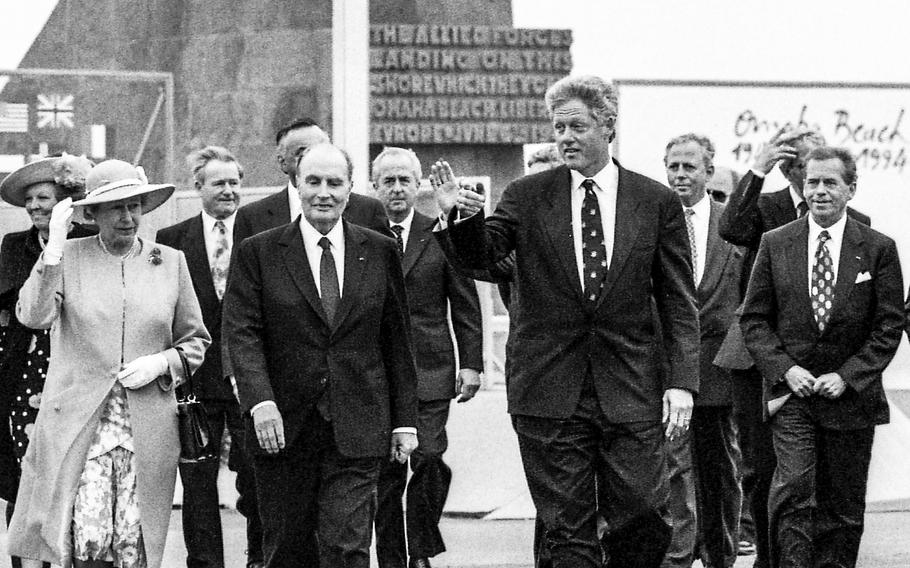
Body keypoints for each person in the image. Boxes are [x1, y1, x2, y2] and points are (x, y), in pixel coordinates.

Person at [431, 74, 700, 568]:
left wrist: (682, 382)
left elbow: (678, 299)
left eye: (577, 125)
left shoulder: (654, 201)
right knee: (566, 528)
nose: (566, 137)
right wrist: (458, 220)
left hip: (631, 388)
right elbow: (483, 256)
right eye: (558, 128)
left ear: (608, 126)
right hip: (548, 389)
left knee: (643, 513)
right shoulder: (528, 194)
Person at [6, 159, 211, 568]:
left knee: (134, 547)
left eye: (134, 205)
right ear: (93, 213)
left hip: (148, 426)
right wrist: (54, 249)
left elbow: (196, 342)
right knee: (88, 543)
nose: (127, 216)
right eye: (115, 207)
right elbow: (33, 316)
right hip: (81, 425)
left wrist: (162, 363)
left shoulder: (169, 261)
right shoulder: (68, 257)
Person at [223, 143, 418, 568]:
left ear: (352, 189)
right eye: (313, 181)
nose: (323, 192)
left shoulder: (380, 249)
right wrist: (260, 401)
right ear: (296, 184)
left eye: (335, 182)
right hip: (283, 428)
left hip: (359, 424)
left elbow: (396, 341)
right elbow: (241, 334)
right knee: (287, 550)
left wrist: (404, 421)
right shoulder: (259, 251)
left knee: (345, 547)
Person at [740, 146, 903, 568]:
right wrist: (785, 369)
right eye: (812, 182)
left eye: (831, 182)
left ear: (851, 188)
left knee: (842, 504)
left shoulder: (878, 247)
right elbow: (754, 320)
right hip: (793, 396)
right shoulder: (775, 244)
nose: (820, 191)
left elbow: (889, 325)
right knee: (793, 490)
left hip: (851, 398)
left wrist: (849, 376)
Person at [715, 127, 870, 568]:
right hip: (758, 359)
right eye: (793, 161)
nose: (803, 169)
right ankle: (771, 558)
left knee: (817, 476)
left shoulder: (856, 222)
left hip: (821, 365)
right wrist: (757, 169)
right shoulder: (765, 207)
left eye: (810, 160)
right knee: (762, 470)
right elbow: (730, 228)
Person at [369, 147, 483, 568]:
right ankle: (394, 559)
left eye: (405, 180)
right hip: (376, 374)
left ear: (417, 185)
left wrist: (471, 362)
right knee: (387, 474)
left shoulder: (437, 232)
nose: (397, 189)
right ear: (373, 186)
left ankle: (420, 547)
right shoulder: (359, 234)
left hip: (430, 370)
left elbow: (466, 302)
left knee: (430, 457)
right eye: (388, 181)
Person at [156, 146, 260, 568]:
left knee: (256, 476)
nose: (229, 191)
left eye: (235, 182)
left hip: (251, 377)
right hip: (196, 380)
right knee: (197, 481)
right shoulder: (171, 240)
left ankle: (261, 557)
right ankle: (205, 562)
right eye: (219, 183)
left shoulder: (260, 234)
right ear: (197, 187)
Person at [0, 154, 97, 568]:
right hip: (26, 372)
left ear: (66, 202)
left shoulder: (92, 241)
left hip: (77, 369)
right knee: (26, 477)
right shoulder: (14, 246)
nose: (36, 207)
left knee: (76, 477)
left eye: (44, 198)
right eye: (30, 201)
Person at [664, 134, 745, 568]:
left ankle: (721, 556)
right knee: (674, 470)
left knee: (720, 471)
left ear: (708, 172)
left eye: (689, 167)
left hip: (719, 369)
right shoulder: (653, 219)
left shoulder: (731, 224)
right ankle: (678, 557)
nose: (679, 175)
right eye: (673, 166)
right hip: (667, 371)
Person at [233, 117, 391, 243]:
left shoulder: (369, 211)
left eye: (320, 150)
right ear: (282, 162)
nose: (313, 159)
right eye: (302, 153)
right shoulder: (252, 218)